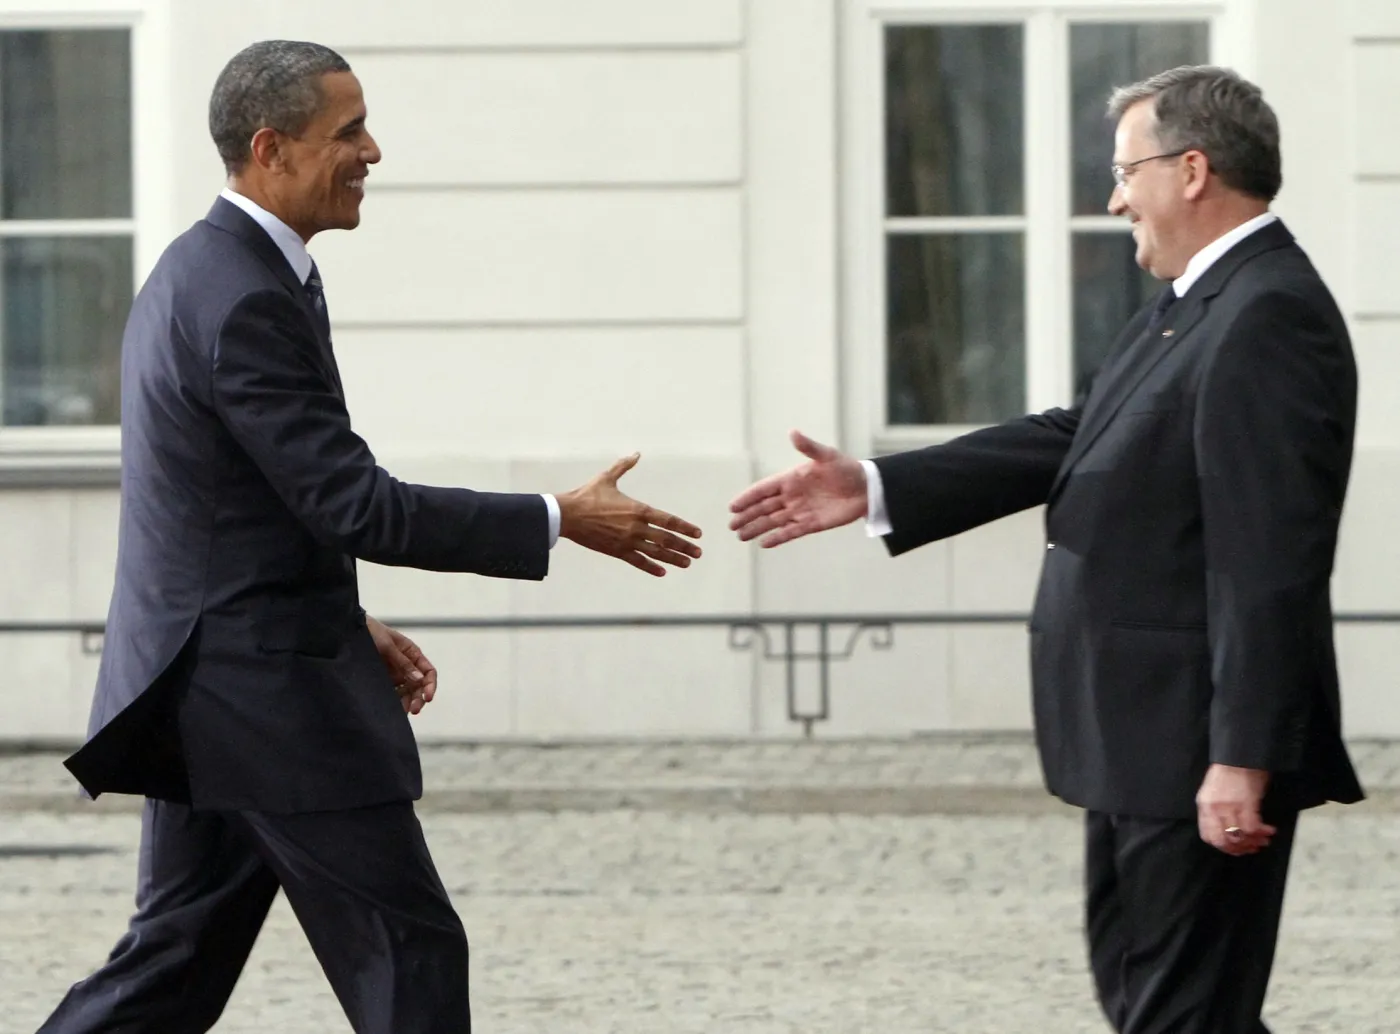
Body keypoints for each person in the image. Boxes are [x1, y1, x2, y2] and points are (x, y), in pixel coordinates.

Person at [39, 39, 702, 1034]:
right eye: (347, 131)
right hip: (264, 698)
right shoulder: (244, 292)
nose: (373, 150)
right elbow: (355, 502)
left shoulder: (217, 268)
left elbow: (240, 505)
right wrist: (560, 516)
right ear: (272, 146)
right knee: (409, 953)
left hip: (209, 678)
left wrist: (345, 614)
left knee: (169, 968)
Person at [730, 65, 1362, 1033]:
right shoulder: (1195, 300)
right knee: (1157, 1002)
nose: (1112, 199)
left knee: (1177, 1012)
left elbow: (1263, 556)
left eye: (1123, 173)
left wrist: (1239, 755)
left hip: (1188, 739)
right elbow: (1082, 429)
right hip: (1136, 737)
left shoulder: (1263, 312)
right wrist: (880, 482)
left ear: (1190, 169)